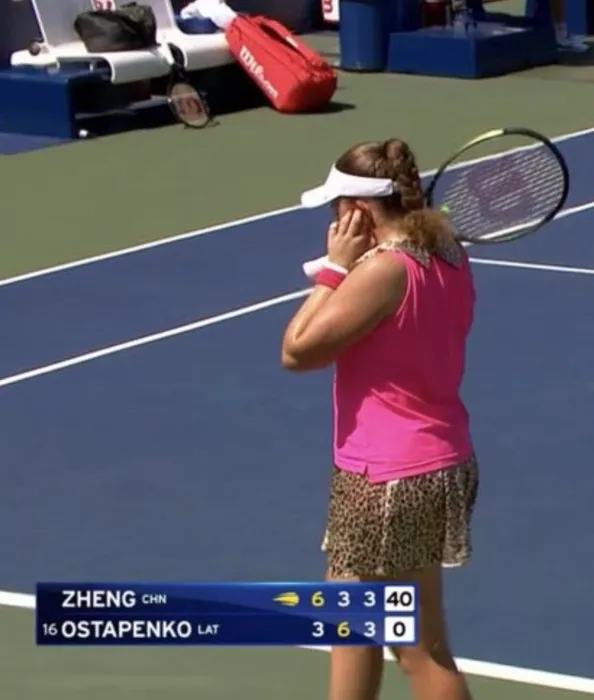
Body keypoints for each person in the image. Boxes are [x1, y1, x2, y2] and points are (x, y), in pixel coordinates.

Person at [281, 138, 478, 700]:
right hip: (434, 462)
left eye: (335, 207)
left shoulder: (384, 272)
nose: (331, 219)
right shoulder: (447, 254)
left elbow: (297, 350)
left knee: (417, 648)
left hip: (389, 479)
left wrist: (335, 270)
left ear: (357, 210)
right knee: (351, 611)